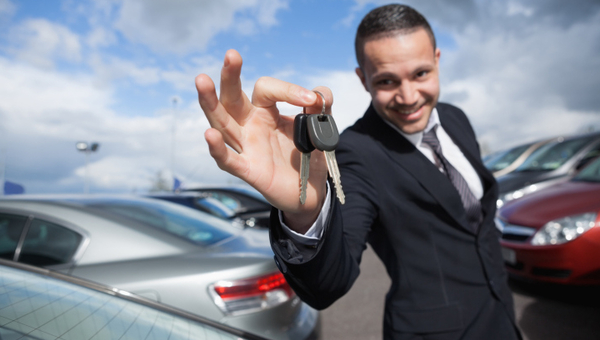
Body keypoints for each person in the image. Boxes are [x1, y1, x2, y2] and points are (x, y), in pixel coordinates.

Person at [196, 4, 522, 340]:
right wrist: (305, 213)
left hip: (501, 318)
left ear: (437, 60)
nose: (409, 96)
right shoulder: (355, 152)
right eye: (386, 81)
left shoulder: (456, 118)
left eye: (420, 74)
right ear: (362, 79)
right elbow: (329, 284)